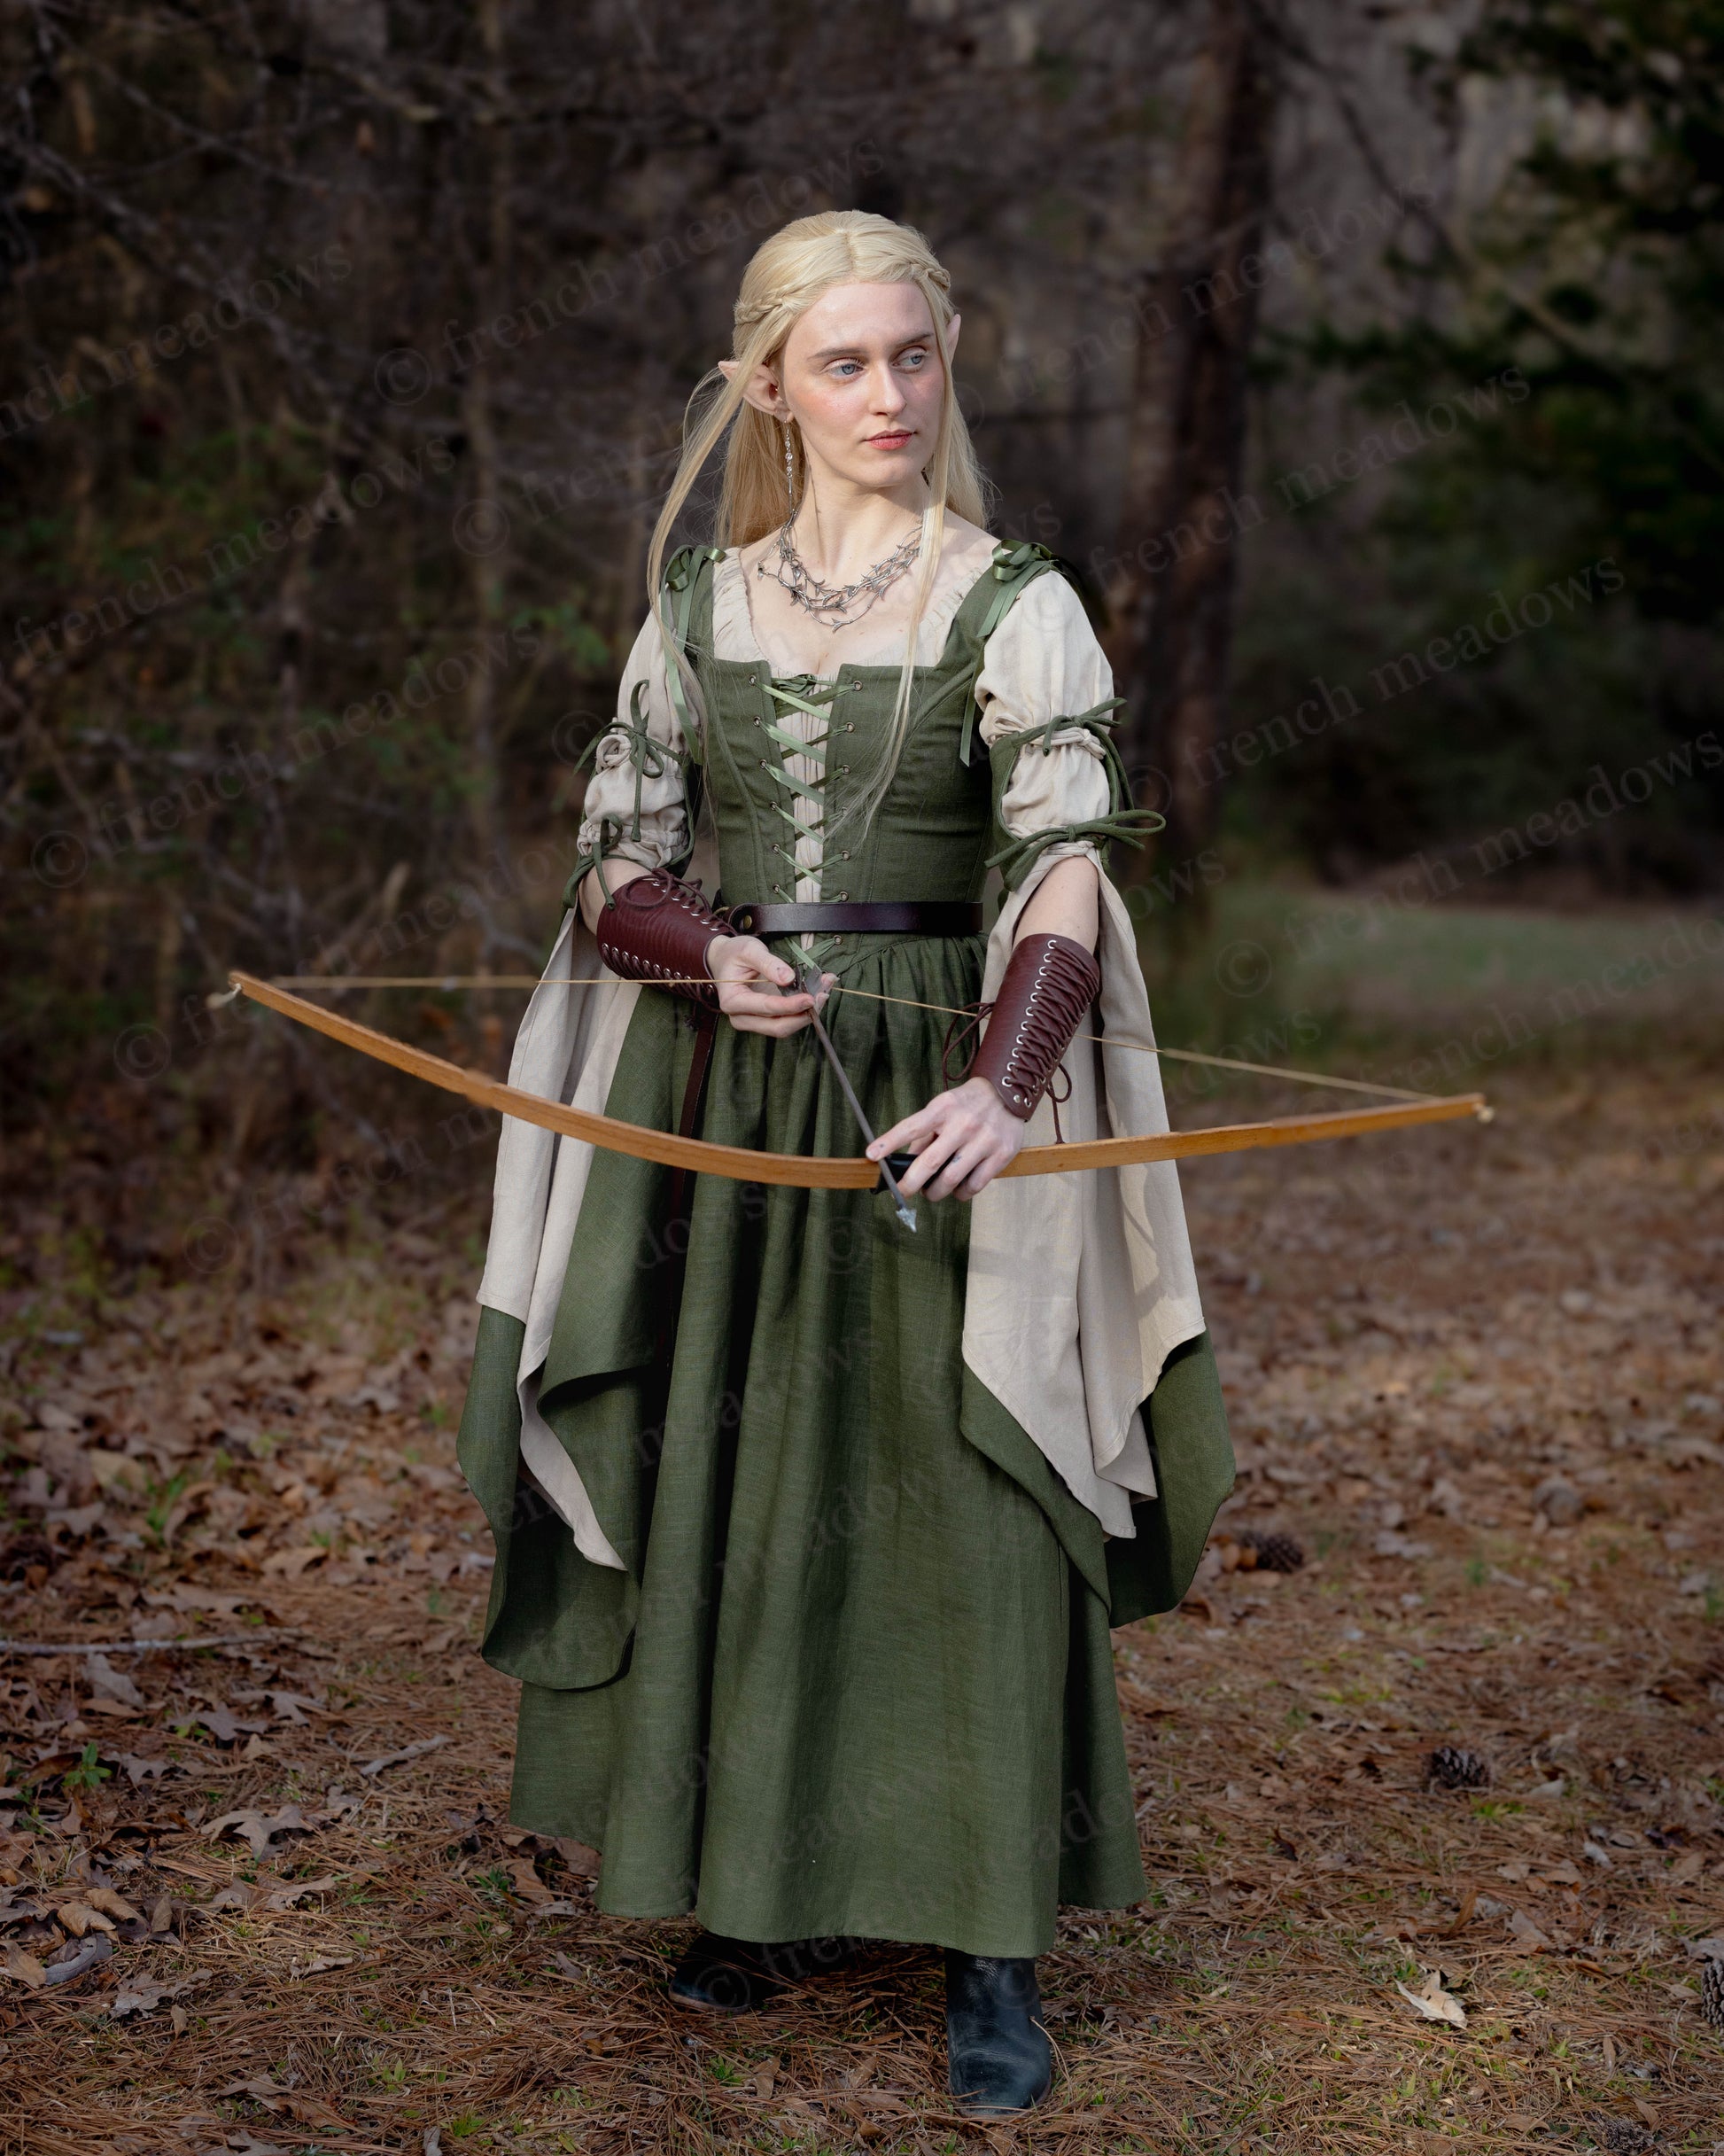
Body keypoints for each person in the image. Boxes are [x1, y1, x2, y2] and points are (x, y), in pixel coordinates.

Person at [457, 208, 1233, 2117]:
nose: (887, 395)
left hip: (949, 1095)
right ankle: (756, 1888)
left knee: (967, 1474)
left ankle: (991, 1943)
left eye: (913, 356)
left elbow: (1062, 861)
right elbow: (613, 851)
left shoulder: (1011, 596)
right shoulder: (696, 606)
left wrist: (1007, 1082)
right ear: (766, 387)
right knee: (743, 1468)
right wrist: (695, 948)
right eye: (842, 363)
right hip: (737, 1098)